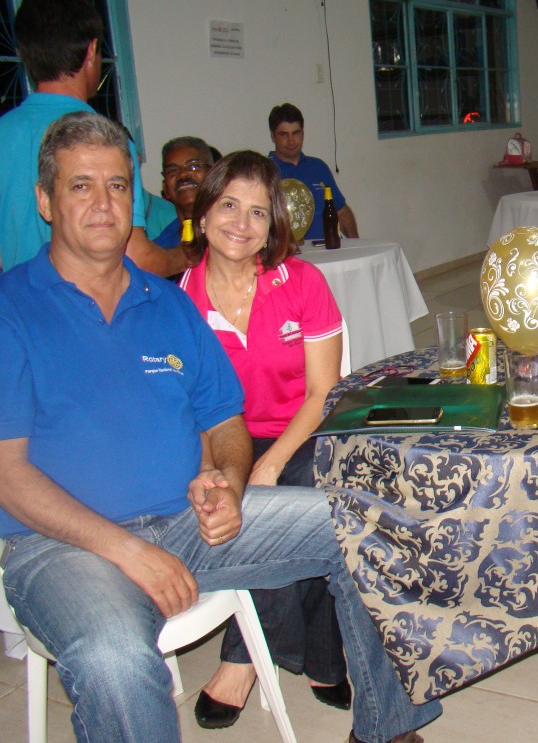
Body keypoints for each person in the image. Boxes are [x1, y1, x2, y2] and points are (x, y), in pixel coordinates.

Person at [0, 111, 440, 743]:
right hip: (63, 546)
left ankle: (387, 728)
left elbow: (227, 421)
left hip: (187, 519)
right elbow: (7, 475)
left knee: (366, 525)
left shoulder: (167, 304)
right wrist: (127, 550)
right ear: (45, 200)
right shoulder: (12, 309)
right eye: (80, 185)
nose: (103, 203)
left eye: (118, 185)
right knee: (116, 658)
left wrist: (228, 484)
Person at [178, 152, 352, 728]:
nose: (241, 223)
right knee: (246, 504)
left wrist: (270, 463)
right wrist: (212, 468)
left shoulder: (301, 281)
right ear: (204, 214)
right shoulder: (180, 299)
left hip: (304, 428)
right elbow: (187, 407)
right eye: (229, 205)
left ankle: (242, 657)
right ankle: (323, 656)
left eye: (257, 211)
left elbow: (324, 392)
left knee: (296, 494)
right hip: (223, 436)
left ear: (272, 222)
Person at [0, 0, 183, 277]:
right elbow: (136, 258)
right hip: (93, 302)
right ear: (91, 51)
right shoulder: (105, 142)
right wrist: (187, 256)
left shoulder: (4, 132)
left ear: (24, 53)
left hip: (19, 300)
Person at [268, 103, 358, 241]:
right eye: (284, 134)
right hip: (287, 253)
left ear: (303, 133)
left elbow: (341, 211)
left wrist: (356, 243)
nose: (291, 141)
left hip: (327, 249)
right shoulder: (265, 171)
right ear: (273, 136)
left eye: (296, 133)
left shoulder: (318, 167)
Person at [153, 136, 215, 249]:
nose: (182, 174)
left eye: (194, 166)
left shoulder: (236, 231)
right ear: (165, 187)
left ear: (215, 175)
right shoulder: (162, 249)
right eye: (172, 170)